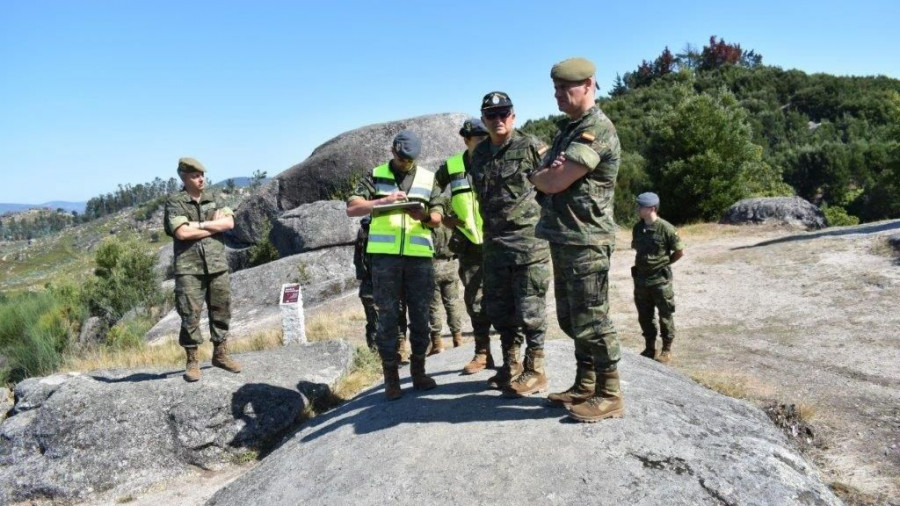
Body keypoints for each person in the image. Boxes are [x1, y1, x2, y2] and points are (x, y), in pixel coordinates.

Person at [529, 57, 625, 422]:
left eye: (564, 89)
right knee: (572, 318)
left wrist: (546, 176)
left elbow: (551, 181)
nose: (557, 96)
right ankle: (585, 383)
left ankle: (610, 393)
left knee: (593, 319)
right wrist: (545, 173)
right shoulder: (568, 130)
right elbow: (543, 173)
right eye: (554, 89)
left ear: (588, 84)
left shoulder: (596, 130)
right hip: (564, 236)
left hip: (586, 238)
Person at [346, 130, 443, 400]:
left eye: (410, 160)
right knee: (387, 319)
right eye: (402, 159)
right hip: (385, 259)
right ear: (393, 152)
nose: (406, 164)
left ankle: (419, 372)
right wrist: (383, 202)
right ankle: (391, 377)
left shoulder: (427, 177)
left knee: (421, 317)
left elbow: (438, 215)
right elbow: (352, 208)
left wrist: (424, 215)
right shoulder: (376, 175)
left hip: (419, 257)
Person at [469, 92, 551, 397]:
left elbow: (553, 188)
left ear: (513, 116)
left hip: (528, 243)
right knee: (500, 311)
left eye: (504, 113)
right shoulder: (477, 155)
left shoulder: (531, 146)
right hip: (494, 244)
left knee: (530, 309)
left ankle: (536, 370)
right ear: (484, 119)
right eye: (491, 115)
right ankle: (511, 365)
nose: (498, 119)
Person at [163, 157, 242, 382]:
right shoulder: (175, 202)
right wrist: (212, 227)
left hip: (216, 264)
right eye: (195, 176)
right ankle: (192, 360)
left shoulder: (213, 197)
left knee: (222, 310)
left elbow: (229, 224)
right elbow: (182, 233)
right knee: (190, 315)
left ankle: (220, 354)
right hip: (189, 267)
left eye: (202, 175)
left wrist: (198, 225)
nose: (201, 180)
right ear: (184, 177)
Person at [431, 118, 495, 373]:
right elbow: (432, 189)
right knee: (475, 300)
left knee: (504, 299)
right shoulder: (452, 166)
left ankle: (513, 357)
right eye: (478, 139)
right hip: (469, 243)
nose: (482, 143)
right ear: (466, 140)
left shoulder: (496, 158)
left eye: (485, 138)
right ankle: (482, 353)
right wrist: (443, 217)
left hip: (497, 239)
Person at [631, 192, 685, 364]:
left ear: (652, 208)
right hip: (641, 280)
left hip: (659, 281)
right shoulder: (638, 228)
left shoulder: (666, 228)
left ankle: (666, 350)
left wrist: (664, 263)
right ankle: (649, 348)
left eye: (641, 206)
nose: (638, 209)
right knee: (645, 316)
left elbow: (679, 252)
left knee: (665, 315)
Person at [353, 215, 410, 361]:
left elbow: (358, 262)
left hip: (374, 284)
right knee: (393, 317)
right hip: (383, 283)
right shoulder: (384, 230)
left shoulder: (364, 231)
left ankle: (382, 355)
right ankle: (396, 352)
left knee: (377, 322)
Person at [427, 223, 464, 355]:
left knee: (433, 307)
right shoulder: (448, 222)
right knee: (453, 304)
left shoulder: (426, 222)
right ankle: (457, 338)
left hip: (431, 266)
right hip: (450, 265)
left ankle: (437, 343)